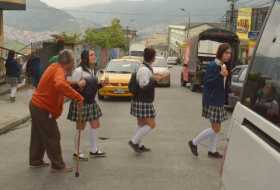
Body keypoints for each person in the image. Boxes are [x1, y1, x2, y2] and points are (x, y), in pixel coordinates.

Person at [29, 49, 85, 173]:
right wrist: (78, 97)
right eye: (73, 62)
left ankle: (35, 160)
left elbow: (62, 82)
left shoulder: (55, 67)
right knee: (52, 136)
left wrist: (75, 83)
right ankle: (57, 165)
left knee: (38, 134)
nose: (74, 65)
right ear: (69, 63)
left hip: (36, 105)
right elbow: (60, 84)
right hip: (43, 108)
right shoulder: (59, 70)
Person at [188, 43, 230, 159]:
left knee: (217, 127)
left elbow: (223, 85)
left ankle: (212, 150)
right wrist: (221, 75)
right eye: (226, 52)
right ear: (220, 53)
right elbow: (207, 83)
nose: (228, 55)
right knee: (215, 128)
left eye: (230, 53)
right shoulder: (213, 65)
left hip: (218, 100)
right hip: (212, 100)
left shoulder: (223, 66)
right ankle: (194, 142)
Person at [67, 49, 105, 161]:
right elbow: (72, 88)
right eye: (91, 55)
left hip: (91, 101)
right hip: (81, 102)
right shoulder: (78, 71)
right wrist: (78, 86)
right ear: (85, 58)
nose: (94, 56)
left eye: (94, 54)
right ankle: (76, 152)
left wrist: (100, 85)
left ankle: (94, 150)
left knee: (95, 124)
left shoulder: (92, 70)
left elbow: (92, 86)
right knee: (80, 128)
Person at [129, 47, 168, 153]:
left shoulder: (144, 67)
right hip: (143, 100)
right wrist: (155, 80)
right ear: (152, 57)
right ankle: (134, 141)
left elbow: (146, 80)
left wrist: (154, 77)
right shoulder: (144, 69)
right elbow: (143, 85)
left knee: (141, 123)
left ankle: (138, 144)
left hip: (140, 100)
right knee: (152, 124)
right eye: (154, 56)